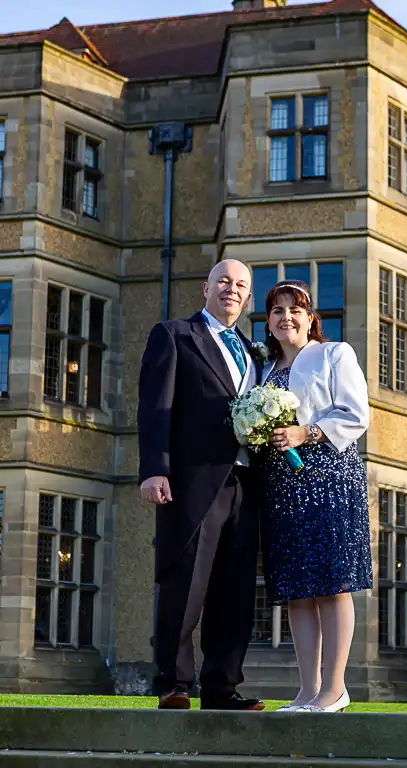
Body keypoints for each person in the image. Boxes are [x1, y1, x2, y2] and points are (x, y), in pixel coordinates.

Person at [137, 259, 264, 711]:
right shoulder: (174, 335)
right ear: (205, 288)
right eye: (224, 281)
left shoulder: (256, 352)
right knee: (185, 580)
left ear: (248, 298)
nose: (232, 289)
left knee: (235, 590)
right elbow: (156, 408)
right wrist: (155, 468)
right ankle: (174, 682)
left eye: (241, 285)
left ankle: (221, 687)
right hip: (191, 482)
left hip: (246, 483)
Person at [259, 280, 372, 713]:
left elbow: (356, 412)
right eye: (276, 311)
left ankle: (335, 688)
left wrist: (306, 432)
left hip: (328, 476)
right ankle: (307, 691)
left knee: (331, 585)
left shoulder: (334, 354)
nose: (286, 316)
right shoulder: (262, 371)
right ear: (268, 323)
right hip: (282, 486)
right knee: (297, 591)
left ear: (310, 319)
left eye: (295, 310)